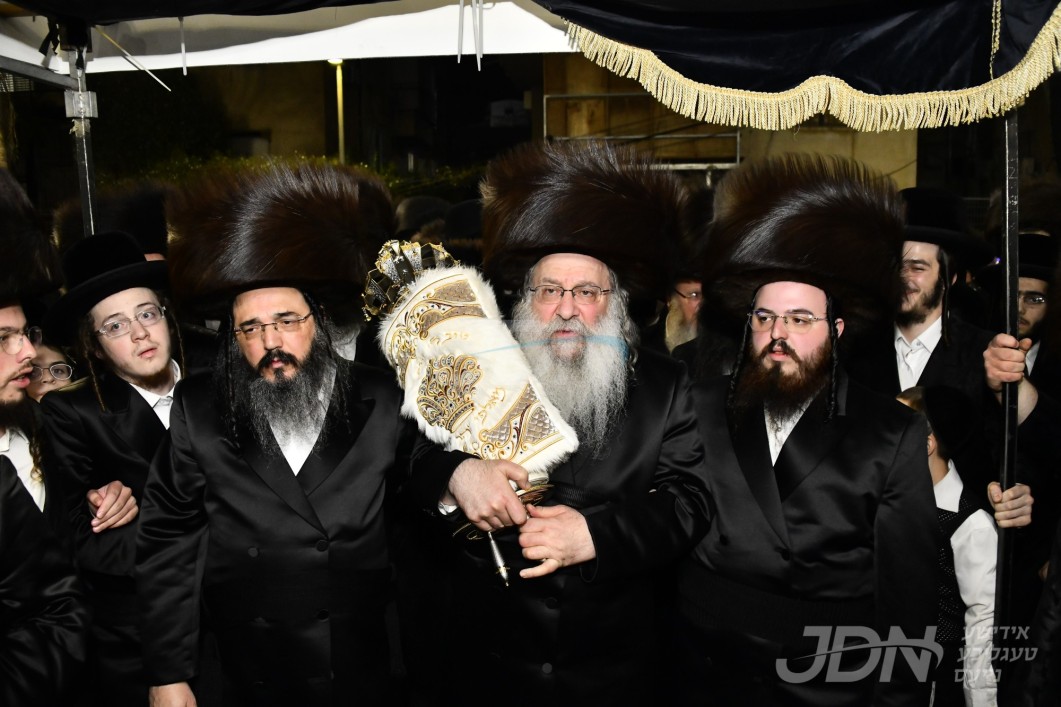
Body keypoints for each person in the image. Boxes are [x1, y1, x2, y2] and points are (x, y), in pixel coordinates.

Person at [405, 141, 712, 703]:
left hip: (615, 670)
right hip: (488, 664)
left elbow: (689, 500)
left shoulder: (666, 385)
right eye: (550, 290)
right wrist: (457, 475)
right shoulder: (475, 365)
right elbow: (412, 456)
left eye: (587, 292)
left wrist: (596, 535)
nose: (567, 309)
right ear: (525, 298)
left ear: (615, 301)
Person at [136, 162, 420, 706]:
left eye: (287, 320)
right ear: (233, 337)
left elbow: (424, 491)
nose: (271, 342)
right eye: (251, 328)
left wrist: (466, 473)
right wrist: (168, 672)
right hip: (248, 668)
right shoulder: (199, 407)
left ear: (319, 320)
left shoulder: (384, 395)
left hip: (357, 664)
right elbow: (167, 542)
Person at [674, 154, 939, 706]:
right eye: (765, 318)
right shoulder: (697, 404)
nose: (779, 334)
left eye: (799, 320)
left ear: (836, 329)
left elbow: (908, 597)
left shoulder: (891, 432)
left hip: (824, 681)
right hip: (704, 671)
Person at [41, 230, 179, 707]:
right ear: (94, 348)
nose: (140, 333)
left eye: (147, 314)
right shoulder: (72, 412)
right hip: (138, 636)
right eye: (116, 326)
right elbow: (78, 538)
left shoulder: (216, 384)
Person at [897, 385, 998, 707]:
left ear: (926, 444)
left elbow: (982, 623)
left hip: (937, 681)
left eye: (894, 426)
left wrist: (980, 701)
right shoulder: (890, 503)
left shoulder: (971, 524)